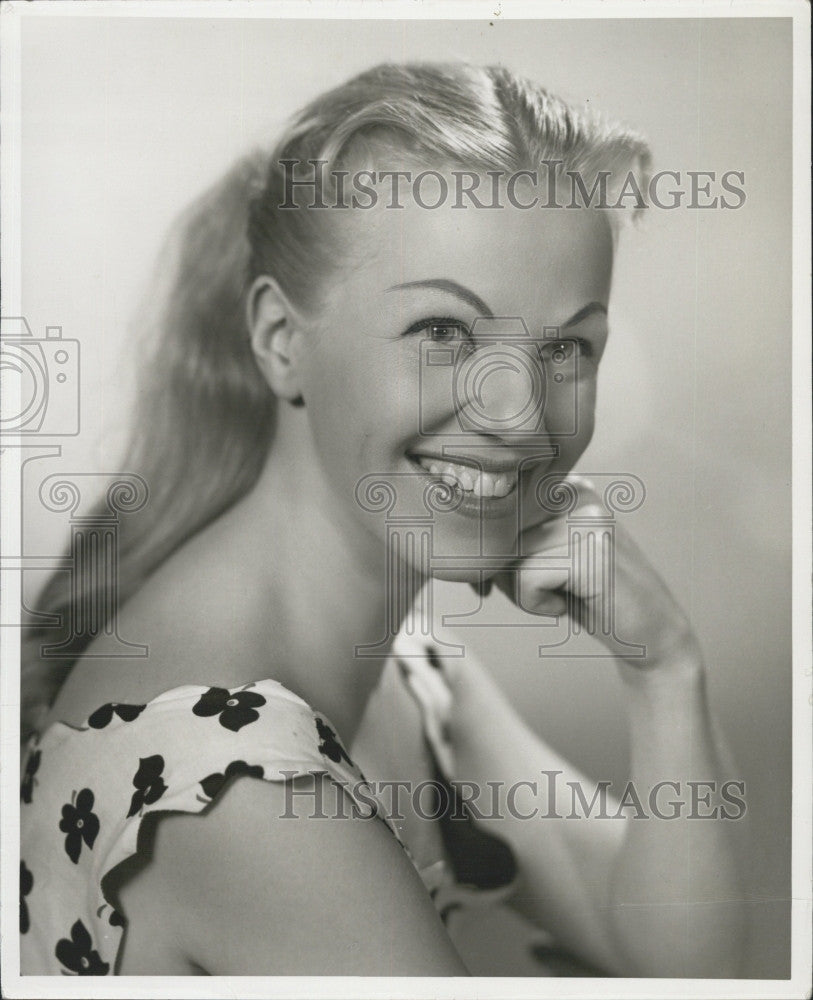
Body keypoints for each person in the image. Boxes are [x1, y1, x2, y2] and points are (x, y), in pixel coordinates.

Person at [19, 62, 745, 978]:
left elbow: (686, 966)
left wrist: (665, 668)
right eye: (444, 332)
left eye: (566, 346)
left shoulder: (405, 669)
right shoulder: (241, 787)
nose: (517, 415)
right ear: (283, 341)